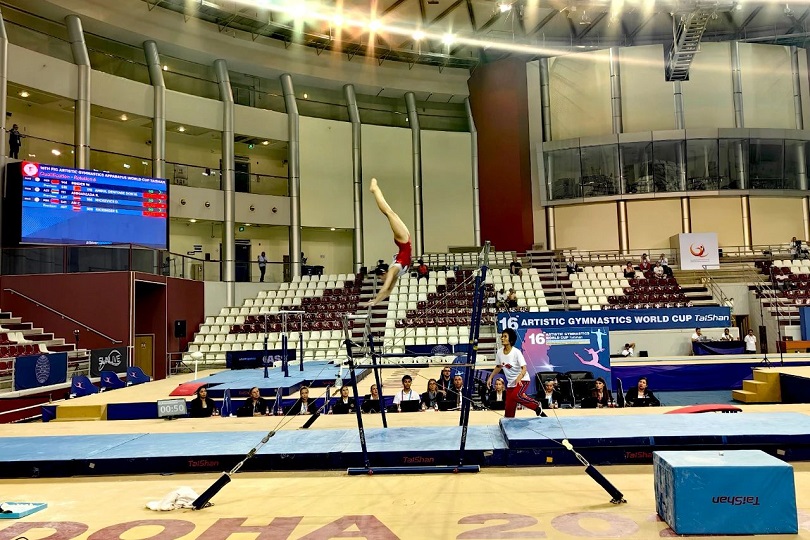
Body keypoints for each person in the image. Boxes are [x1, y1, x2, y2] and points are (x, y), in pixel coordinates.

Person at [363, 178, 411, 307]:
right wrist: (376, 301)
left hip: (403, 241)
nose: (381, 280)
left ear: (384, 273)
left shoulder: (392, 270)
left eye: (380, 277)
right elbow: (388, 291)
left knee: (389, 213)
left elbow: (384, 288)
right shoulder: (394, 274)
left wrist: (375, 301)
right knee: (390, 213)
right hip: (405, 240)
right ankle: (375, 189)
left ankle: (375, 189)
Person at [486, 329, 544, 418]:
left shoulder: (516, 352)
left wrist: (519, 378)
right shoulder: (499, 352)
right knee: (509, 412)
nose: (502, 338)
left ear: (511, 340)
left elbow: (524, 368)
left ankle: (536, 405)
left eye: (505, 336)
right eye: (502, 336)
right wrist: (490, 377)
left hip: (523, 380)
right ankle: (509, 421)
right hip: (511, 384)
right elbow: (498, 367)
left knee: (516, 395)